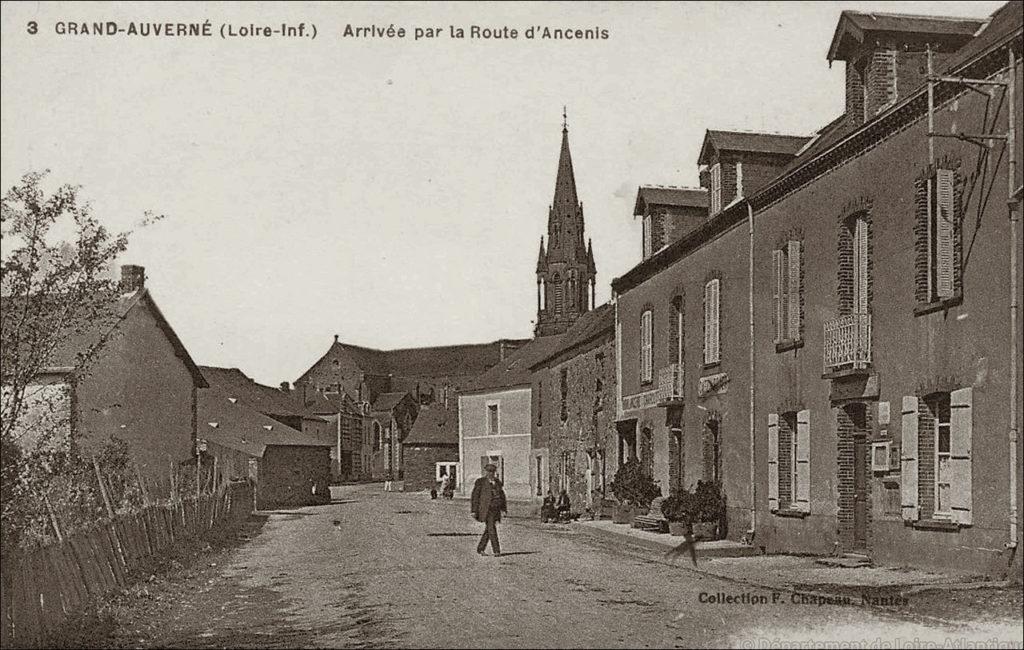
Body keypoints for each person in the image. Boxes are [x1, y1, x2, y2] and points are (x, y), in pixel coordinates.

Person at [470, 463, 507, 556]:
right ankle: (496, 550)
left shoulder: (498, 482)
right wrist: (474, 510)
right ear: (486, 472)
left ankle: (480, 548)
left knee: (489, 529)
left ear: (495, 472)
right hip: (486, 509)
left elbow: (502, 497)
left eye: (492, 472)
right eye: (489, 471)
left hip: (496, 509)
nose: (491, 473)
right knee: (491, 528)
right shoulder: (480, 482)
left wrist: (503, 509)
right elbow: (475, 497)